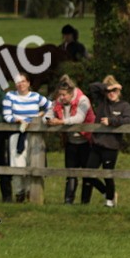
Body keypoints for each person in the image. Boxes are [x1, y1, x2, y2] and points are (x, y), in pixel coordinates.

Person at [82, 74, 130, 207]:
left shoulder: (124, 105)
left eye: (114, 91)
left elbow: (128, 120)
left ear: (119, 92)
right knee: (88, 173)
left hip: (111, 145)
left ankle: (109, 202)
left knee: (108, 174)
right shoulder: (101, 102)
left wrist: (111, 121)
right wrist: (109, 86)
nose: (111, 94)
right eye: (109, 91)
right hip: (97, 144)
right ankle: (107, 192)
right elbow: (92, 87)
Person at [2, 73, 50, 203]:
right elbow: (6, 115)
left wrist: (41, 115)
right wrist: (17, 120)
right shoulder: (10, 96)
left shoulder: (35, 97)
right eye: (18, 81)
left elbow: (51, 106)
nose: (20, 84)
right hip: (17, 134)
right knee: (18, 165)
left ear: (28, 83)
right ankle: (19, 193)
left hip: (34, 135)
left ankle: (31, 193)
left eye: (23, 81)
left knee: (32, 163)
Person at [45, 76, 93, 204]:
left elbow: (79, 118)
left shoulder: (83, 100)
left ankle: (85, 202)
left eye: (64, 95)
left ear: (71, 93)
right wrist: (49, 120)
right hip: (70, 142)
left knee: (87, 174)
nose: (62, 97)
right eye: (60, 94)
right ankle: (68, 201)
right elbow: (48, 114)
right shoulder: (58, 101)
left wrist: (60, 122)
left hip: (86, 141)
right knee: (70, 172)